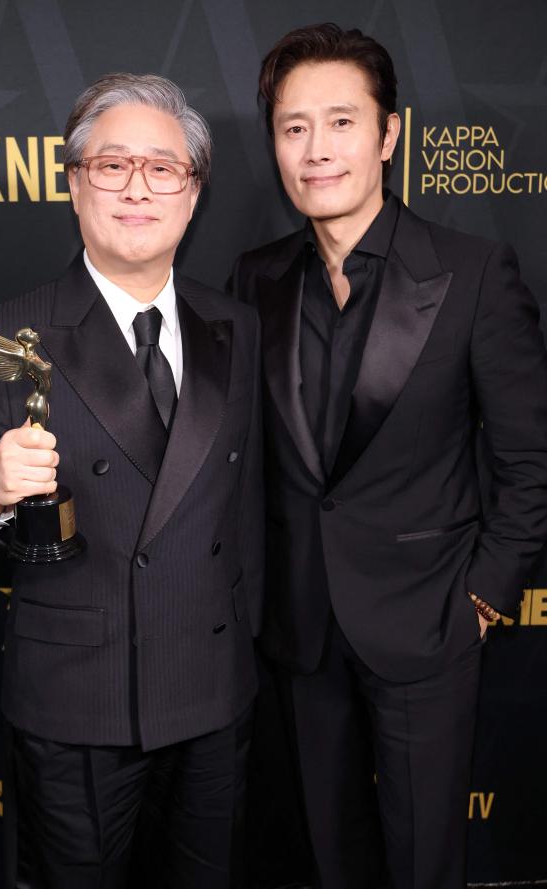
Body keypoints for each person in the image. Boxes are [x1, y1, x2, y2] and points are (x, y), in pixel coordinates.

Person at [0, 72, 263, 889]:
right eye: (111, 166)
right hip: (77, 705)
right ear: (74, 184)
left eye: (163, 168)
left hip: (213, 697)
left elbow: (246, 506)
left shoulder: (238, 326)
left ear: (193, 194)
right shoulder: (14, 330)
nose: (137, 188)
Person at [230, 23, 547, 889]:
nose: (317, 150)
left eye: (340, 123)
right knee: (326, 861)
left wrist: (485, 598)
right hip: (296, 630)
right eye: (294, 127)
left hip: (428, 621)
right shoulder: (252, 279)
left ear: (388, 135)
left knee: (421, 864)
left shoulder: (475, 273)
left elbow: (531, 461)